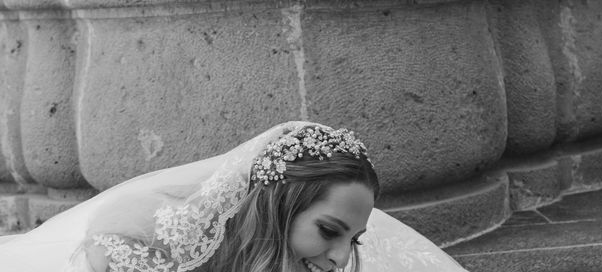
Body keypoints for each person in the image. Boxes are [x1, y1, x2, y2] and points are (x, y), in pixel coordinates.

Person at [0, 122, 467, 271]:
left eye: (355, 240)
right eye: (329, 231)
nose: (342, 258)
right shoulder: (146, 232)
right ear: (276, 209)